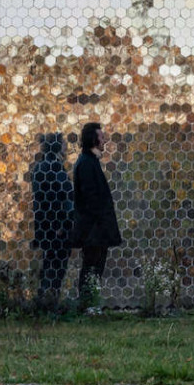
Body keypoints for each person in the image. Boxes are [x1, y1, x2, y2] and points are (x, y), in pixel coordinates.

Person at [70, 121, 122, 307]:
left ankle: (89, 302)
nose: (104, 140)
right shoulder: (86, 164)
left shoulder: (88, 162)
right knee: (92, 266)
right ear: (93, 139)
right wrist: (99, 222)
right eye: (101, 137)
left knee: (95, 266)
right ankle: (87, 304)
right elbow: (90, 197)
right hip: (93, 229)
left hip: (95, 228)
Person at [29, 133, 73, 308]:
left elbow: (39, 200)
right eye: (63, 144)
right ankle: (50, 303)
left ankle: (42, 299)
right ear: (57, 146)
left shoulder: (39, 167)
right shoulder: (56, 167)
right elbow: (64, 197)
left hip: (43, 225)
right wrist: (64, 223)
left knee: (47, 264)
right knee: (57, 265)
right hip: (57, 226)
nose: (66, 148)